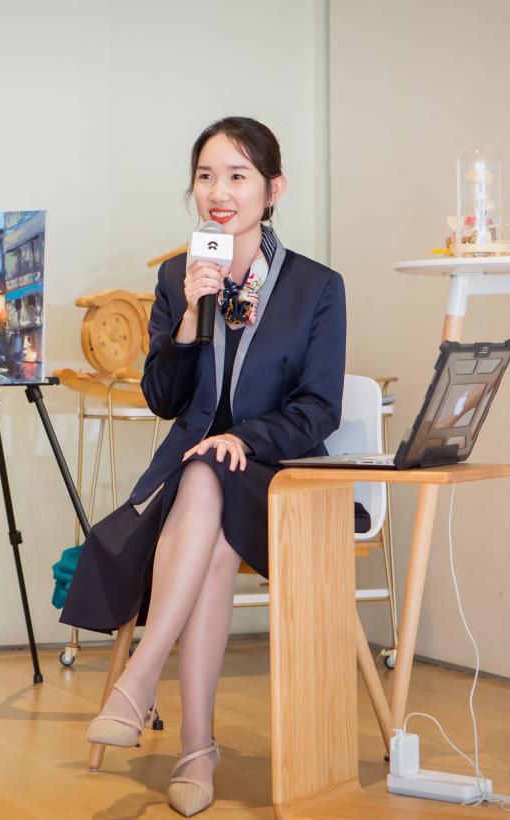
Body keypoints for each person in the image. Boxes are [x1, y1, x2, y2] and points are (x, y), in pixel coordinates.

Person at [60, 116, 354, 817]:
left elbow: (319, 409)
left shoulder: (317, 287)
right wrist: (191, 314)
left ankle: (141, 680)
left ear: (273, 189)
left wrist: (244, 438)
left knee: (210, 475)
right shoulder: (176, 277)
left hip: (276, 471)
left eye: (237, 176)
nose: (218, 192)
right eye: (205, 176)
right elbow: (164, 401)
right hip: (192, 473)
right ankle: (197, 748)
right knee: (207, 509)